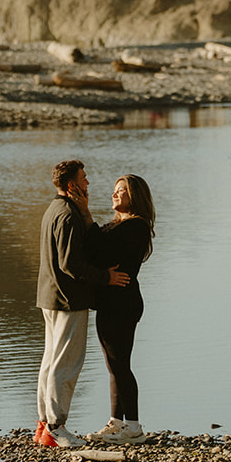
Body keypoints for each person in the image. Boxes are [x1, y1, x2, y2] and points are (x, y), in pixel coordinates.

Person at [35, 159, 129, 450]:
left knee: (51, 361)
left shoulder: (55, 209)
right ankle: (56, 427)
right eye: (84, 178)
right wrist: (106, 278)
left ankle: (43, 426)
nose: (89, 183)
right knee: (65, 364)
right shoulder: (67, 215)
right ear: (72, 184)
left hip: (51, 297)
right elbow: (70, 264)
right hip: (68, 299)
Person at [87, 174, 155, 444]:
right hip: (111, 301)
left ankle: (134, 426)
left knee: (120, 364)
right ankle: (116, 421)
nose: (115, 194)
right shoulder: (117, 225)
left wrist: (83, 210)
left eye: (122, 191)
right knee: (113, 364)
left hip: (123, 303)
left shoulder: (136, 226)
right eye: (114, 190)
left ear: (135, 196)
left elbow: (95, 245)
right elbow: (95, 244)